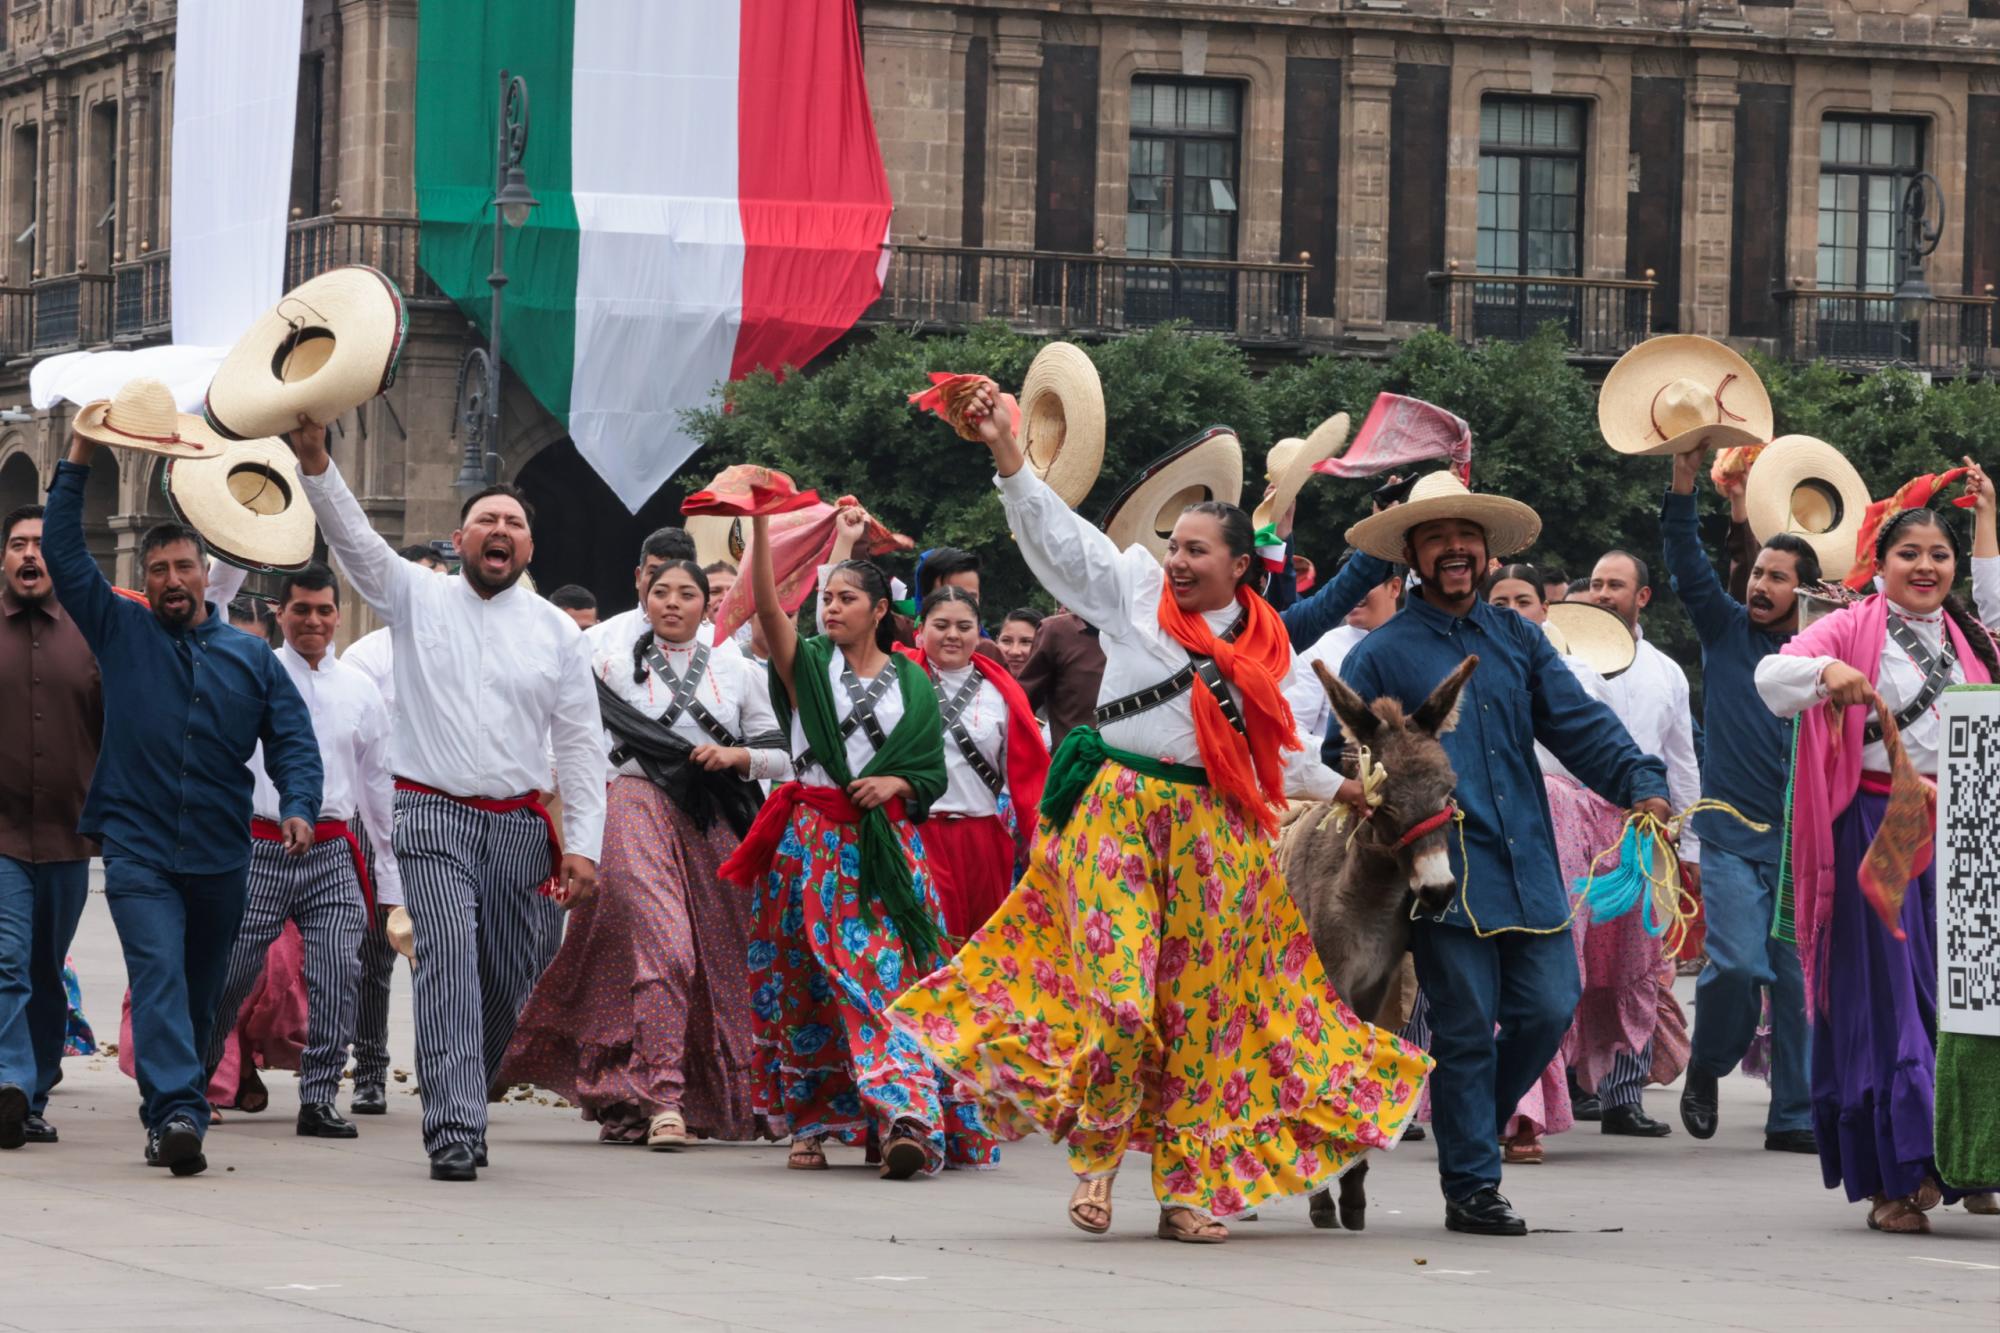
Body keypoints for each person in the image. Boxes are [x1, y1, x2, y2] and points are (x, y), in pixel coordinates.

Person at [891, 382, 1430, 1244]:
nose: (1177, 559)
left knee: (1207, 1016)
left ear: (1239, 566)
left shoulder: (1271, 647)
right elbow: (1058, 546)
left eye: (1196, 550)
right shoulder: (1134, 590)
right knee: (1121, 999)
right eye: (1173, 545)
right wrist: (1006, 454)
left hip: (1217, 832)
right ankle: (1098, 1164)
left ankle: (1188, 1191)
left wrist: (1343, 790)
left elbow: (1282, 751)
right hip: (1118, 813)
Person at [1339, 471, 1670, 1236]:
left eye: (1467, 537)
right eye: (1436, 538)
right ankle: (1472, 1188)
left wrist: (1640, 781)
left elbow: (1578, 724)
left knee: (1550, 1006)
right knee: (1463, 1029)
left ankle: (1469, 1129)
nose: (1456, 549)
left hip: (1529, 863)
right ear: (1413, 557)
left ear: (1486, 550)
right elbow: (1342, 753)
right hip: (1444, 875)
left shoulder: (1517, 636)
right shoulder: (1382, 654)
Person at [288, 420, 605, 1184]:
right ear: (461, 538)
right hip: (430, 817)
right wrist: (317, 462)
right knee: (450, 966)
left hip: (520, 829)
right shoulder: (416, 595)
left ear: (529, 548)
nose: (501, 532)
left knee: (505, 980)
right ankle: (455, 1126)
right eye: (488, 520)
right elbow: (358, 542)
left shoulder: (557, 633)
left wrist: (585, 845)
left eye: (515, 524)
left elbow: (581, 742)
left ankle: (464, 1077)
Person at [44, 432, 323, 1178]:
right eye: (159, 567)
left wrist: (298, 804)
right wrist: (75, 455)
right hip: (136, 847)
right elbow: (66, 554)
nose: (172, 578)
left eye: (184, 566)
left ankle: (177, 1097)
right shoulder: (120, 627)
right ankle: (176, 1112)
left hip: (220, 851)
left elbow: (293, 740)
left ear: (206, 576)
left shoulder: (251, 657)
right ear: (144, 578)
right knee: (159, 972)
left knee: (201, 994)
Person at [1755, 464, 2000, 1234]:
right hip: (1876, 835)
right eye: (1910, 553)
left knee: (1972, 1006)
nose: (1926, 566)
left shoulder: (1969, 637)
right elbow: (1774, 670)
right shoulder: (1848, 622)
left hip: (1965, 839)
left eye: (1940, 554)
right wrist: (1827, 671)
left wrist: (1987, 518)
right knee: (1892, 1006)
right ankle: (1893, 1179)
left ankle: (1970, 1157)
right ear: (1881, 564)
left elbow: (1994, 606)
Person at [720, 518, 997, 1179]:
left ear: (880, 610)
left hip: (887, 852)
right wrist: (760, 527)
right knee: (800, 985)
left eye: (846, 598)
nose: (833, 607)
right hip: (808, 847)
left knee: (883, 981)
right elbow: (766, 605)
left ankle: (908, 1116)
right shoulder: (808, 666)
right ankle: (809, 1125)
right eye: (827, 598)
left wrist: (897, 780)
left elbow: (929, 769)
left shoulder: (914, 680)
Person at [503, 556, 789, 1149]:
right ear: (644, 594)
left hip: (713, 817)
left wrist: (738, 759)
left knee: (722, 958)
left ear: (707, 603)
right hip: (633, 804)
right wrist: (536, 805)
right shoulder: (606, 660)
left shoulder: (738, 668)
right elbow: (572, 747)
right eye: (662, 592)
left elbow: (785, 754)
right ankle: (662, 1098)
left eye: (688, 593)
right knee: (668, 947)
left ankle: (684, 1089)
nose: (673, 603)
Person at [202, 563, 404, 1140]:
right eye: (300, 610)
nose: (312, 621)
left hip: (334, 850)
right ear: (279, 614)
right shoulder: (251, 669)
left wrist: (390, 885)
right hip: (261, 846)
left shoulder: (361, 690)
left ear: (338, 615)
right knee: (233, 972)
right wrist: (241, 545)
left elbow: (377, 790)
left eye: (323, 610)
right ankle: (196, 1079)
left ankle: (318, 1098)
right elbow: (211, 603)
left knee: (341, 970)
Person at [1663, 445, 1819, 1155]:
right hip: (1728, 836)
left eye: (1777, 577)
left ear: (1805, 592)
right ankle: (1708, 1062)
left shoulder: (1824, 651)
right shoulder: (1725, 632)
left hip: (1803, 845)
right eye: (1757, 572)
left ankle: (1792, 1115)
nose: (1760, 584)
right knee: (1739, 967)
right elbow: (1687, 563)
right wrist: (1685, 481)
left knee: (1798, 986)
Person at [1574, 548, 1702, 1137]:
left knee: (1637, 968)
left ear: (1641, 597)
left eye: (1615, 585)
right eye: (1596, 584)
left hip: (1643, 835)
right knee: (1571, 963)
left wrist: (1688, 848)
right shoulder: (1561, 659)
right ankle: (1574, 1084)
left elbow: (1680, 763)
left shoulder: (1666, 671)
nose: (1602, 594)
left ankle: (1623, 1095)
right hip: (1572, 830)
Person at [0, 504, 102, 1150]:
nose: (29, 555)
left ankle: (30, 1095)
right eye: (16, 544)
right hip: (1, 836)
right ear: (3, 558)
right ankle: (7, 1079)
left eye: (40, 544)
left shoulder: (95, 633)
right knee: (7, 958)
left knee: (41, 968)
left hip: (69, 835)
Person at [340, 542, 446, 1117]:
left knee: (446, 954)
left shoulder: (463, 655)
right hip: (376, 817)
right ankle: (371, 1072)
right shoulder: (365, 657)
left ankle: (447, 1072)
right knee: (376, 954)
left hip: (448, 815)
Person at [898, 586, 1049, 940]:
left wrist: (1043, 846)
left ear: (978, 632)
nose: (953, 635)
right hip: (916, 835)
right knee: (928, 947)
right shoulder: (894, 681)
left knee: (980, 954)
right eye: (942, 624)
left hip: (982, 841)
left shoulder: (1002, 693)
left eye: (964, 626)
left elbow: (1028, 781)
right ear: (920, 630)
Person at [1294, 555, 1403, 743]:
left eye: (1365, 584)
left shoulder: (1418, 644)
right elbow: (1292, 730)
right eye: (1349, 585)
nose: (1355, 593)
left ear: (1394, 587)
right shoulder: (1317, 651)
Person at [586, 527, 704, 654]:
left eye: (676, 574)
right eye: (654, 572)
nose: (663, 581)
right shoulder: (597, 642)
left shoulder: (719, 644)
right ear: (638, 577)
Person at [1016, 607, 1106, 751]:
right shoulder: (1056, 632)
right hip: (1076, 765)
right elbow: (1020, 705)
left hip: (1139, 766)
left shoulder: (1144, 633)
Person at [995, 608, 1043, 677]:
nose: (1014, 652)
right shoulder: (982, 685)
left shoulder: (1059, 686)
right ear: (996, 642)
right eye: (1006, 641)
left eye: (1026, 641)